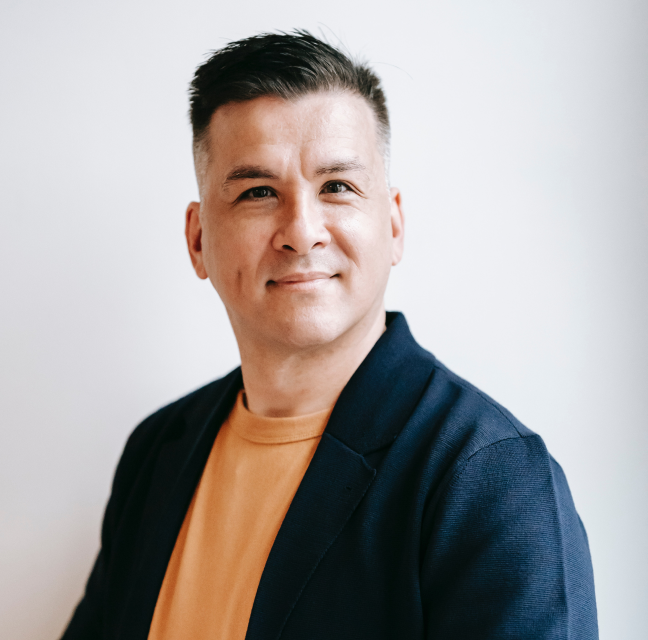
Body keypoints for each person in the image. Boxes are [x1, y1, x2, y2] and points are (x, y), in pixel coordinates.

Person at [61, 31, 598, 640]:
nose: (302, 231)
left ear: (393, 225)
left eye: (337, 187)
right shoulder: (156, 453)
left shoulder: (488, 479)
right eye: (258, 192)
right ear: (198, 239)